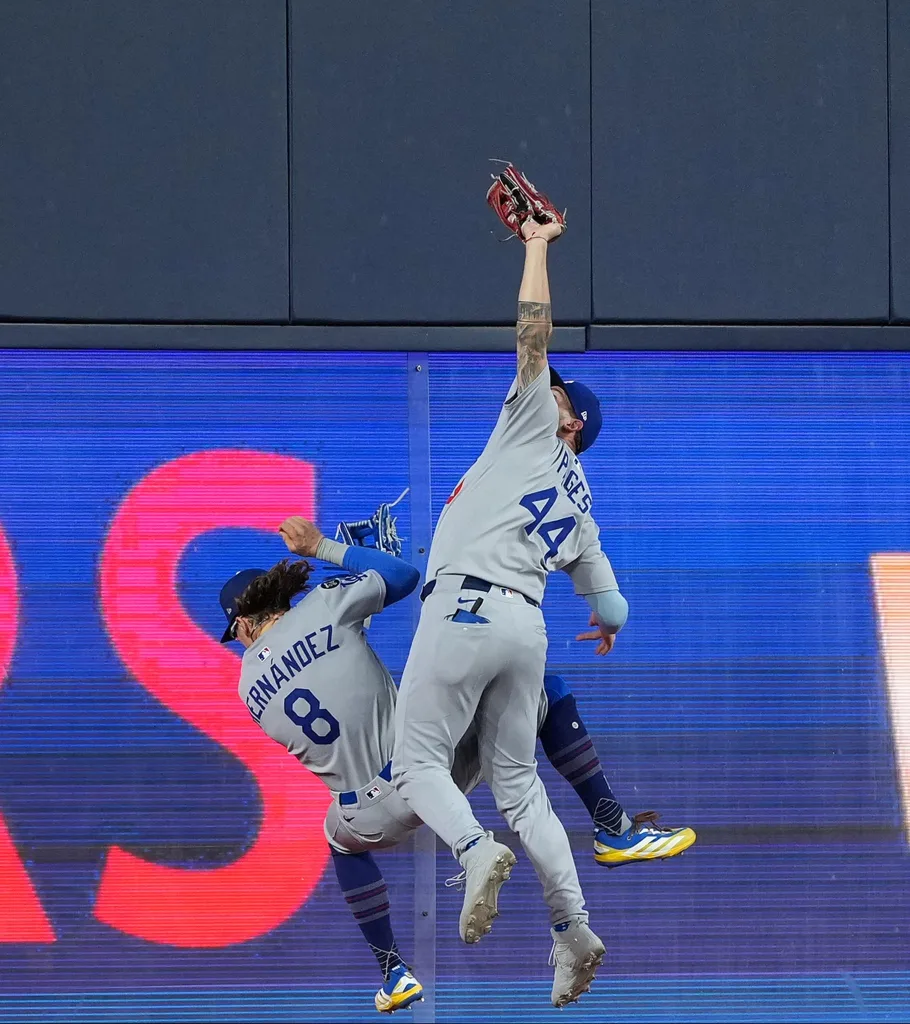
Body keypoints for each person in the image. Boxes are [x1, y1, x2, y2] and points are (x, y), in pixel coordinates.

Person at [222, 516, 695, 1014]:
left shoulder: (246, 688)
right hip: (429, 763)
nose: (239, 643)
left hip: (368, 812)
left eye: (235, 635)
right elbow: (402, 578)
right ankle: (607, 828)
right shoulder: (324, 607)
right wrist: (337, 550)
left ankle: (394, 972)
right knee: (543, 698)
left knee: (339, 841)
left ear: (246, 624)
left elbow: (320, 681)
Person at [392, 210, 626, 1007]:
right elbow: (609, 594)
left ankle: (470, 848)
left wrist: (535, 248)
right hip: (526, 627)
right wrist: (607, 621)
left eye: (557, 392)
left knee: (417, 764)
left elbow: (532, 331)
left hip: (465, 609)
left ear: (567, 419)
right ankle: (575, 932)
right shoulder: (583, 493)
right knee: (521, 788)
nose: (545, 383)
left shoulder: (532, 423)